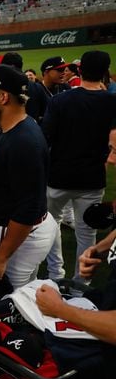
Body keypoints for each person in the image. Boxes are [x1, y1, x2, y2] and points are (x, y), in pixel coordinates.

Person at [0, 65, 58, 289]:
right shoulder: (16, 128)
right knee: (24, 298)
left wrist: (0, 259)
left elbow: (28, 207)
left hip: (17, 233)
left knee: (7, 301)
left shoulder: (22, 141)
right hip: (28, 229)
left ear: (3, 98)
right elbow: (2, 180)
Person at [42, 51, 116, 282]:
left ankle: (56, 275)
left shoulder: (60, 100)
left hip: (59, 175)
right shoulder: (112, 102)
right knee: (87, 233)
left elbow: (47, 138)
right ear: (105, 73)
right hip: (92, 177)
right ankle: (80, 285)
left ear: (80, 70)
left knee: (50, 226)